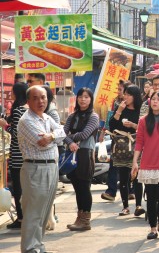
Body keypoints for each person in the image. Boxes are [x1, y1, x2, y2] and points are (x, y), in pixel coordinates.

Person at [17, 85, 66, 253]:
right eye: (36, 98)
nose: (40, 101)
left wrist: (51, 135)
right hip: (35, 168)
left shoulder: (46, 117)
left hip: (51, 167)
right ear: (28, 101)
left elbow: (62, 133)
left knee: (44, 211)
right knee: (33, 212)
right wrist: (55, 137)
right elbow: (42, 145)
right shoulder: (26, 121)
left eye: (43, 97)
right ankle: (30, 248)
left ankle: (38, 246)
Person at [132, 91, 159, 240]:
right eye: (153, 99)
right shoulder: (144, 121)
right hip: (148, 164)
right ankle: (153, 228)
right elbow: (139, 143)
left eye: (158, 99)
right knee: (150, 197)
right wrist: (135, 163)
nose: (155, 102)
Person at [63, 88, 99, 231]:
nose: (83, 99)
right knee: (77, 188)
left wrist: (69, 138)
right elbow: (62, 133)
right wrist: (70, 142)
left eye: (86, 97)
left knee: (84, 187)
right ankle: (79, 218)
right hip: (72, 154)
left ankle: (85, 221)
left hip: (85, 153)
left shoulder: (93, 116)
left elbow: (84, 135)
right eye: (80, 97)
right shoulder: (72, 116)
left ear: (90, 99)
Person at [109, 84, 144, 217]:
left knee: (137, 177)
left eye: (129, 94)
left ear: (135, 96)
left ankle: (139, 205)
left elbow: (145, 127)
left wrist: (134, 125)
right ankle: (125, 207)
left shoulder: (141, 110)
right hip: (121, 147)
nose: (126, 97)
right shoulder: (121, 108)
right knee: (123, 178)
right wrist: (119, 111)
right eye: (125, 94)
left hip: (136, 146)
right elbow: (112, 126)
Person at [0, 82, 29, 229]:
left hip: (18, 157)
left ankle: (21, 219)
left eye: (12, 92)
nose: (10, 94)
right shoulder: (26, 109)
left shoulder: (18, 111)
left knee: (18, 189)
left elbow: (17, 134)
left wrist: (5, 125)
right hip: (24, 156)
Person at [101, 79, 130, 201]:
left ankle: (131, 190)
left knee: (129, 165)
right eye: (118, 89)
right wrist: (104, 131)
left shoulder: (133, 104)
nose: (118, 92)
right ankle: (111, 191)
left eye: (120, 90)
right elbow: (110, 118)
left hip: (130, 139)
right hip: (116, 138)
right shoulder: (115, 102)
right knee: (113, 164)